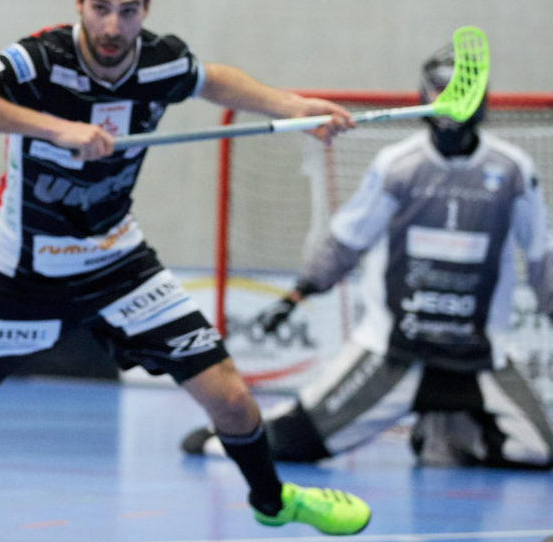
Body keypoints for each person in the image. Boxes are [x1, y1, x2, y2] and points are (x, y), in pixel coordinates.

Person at [0, 0, 372, 542]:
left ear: (146, 9)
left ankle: (273, 501)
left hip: (118, 260)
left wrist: (292, 106)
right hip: (20, 270)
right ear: (78, 3)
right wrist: (56, 126)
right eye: (100, 8)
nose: (113, 26)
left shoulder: (160, 62)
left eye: (129, 10)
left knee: (226, 392)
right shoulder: (41, 58)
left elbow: (212, 79)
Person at [182, 45, 553, 469]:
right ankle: (224, 439)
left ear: (481, 97)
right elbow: (347, 240)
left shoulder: (513, 170)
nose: (448, 99)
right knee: (300, 443)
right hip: (394, 353)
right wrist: (298, 294)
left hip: (479, 356)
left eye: (462, 89)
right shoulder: (398, 165)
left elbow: (541, 251)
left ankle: (443, 435)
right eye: (438, 89)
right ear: (422, 95)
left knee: (540, 450)